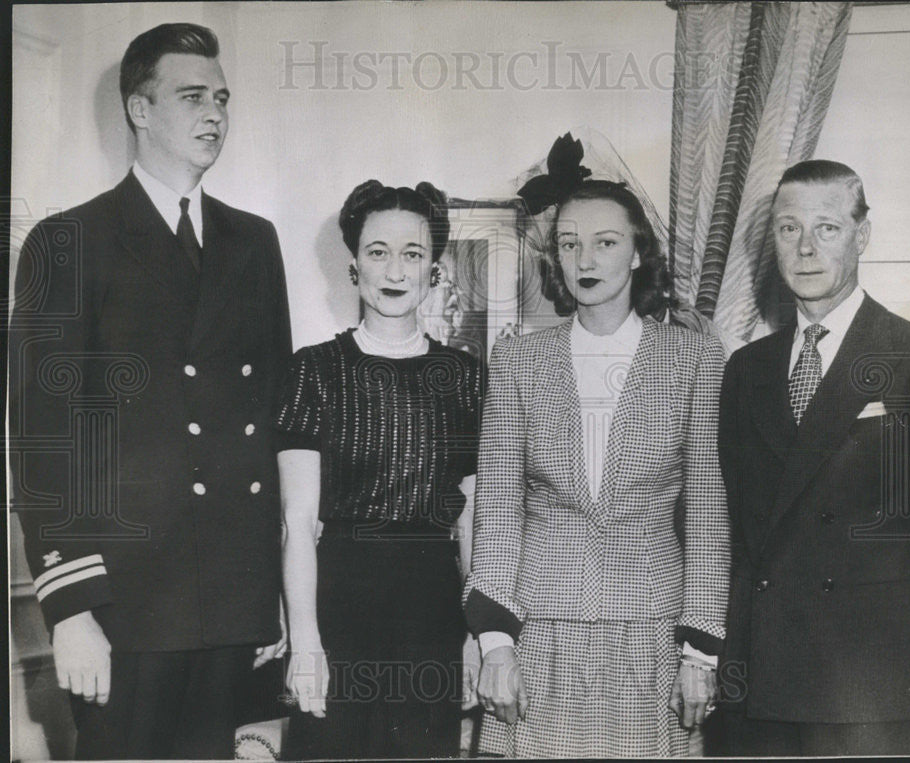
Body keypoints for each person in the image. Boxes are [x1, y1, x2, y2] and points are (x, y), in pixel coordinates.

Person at [9, 23, 291, 759]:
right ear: (139, 110)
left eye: (222, 98)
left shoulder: (253, 241)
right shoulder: (69, 241)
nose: (215, 115)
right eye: (192, 96)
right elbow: (46, 442)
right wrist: (71, 610)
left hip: (235, 602)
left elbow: (274, 416)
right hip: (124, 607)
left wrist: (275, 597)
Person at [717, 159, 910, 756]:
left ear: (862, 235)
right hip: (760, 682)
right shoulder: (747, 370)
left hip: (872, 682)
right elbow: (733, 527)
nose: (807, 248)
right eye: (789, 229)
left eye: (828, 228)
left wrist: (904, 636)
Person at [465, 149, 731, 757]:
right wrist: (496, 643)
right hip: (538, 629)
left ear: (638, 253)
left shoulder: (693, 358)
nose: (585, 260)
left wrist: (700, 648)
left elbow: (710, 517)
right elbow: (499, 510)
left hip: (652, 633)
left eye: (606, 243)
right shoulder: (518, 360)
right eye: (568, 244)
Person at [276, 180, 484, 759]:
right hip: (337, 603)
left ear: (434, 270)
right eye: (377, 252)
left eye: (413, 254)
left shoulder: (466, 377)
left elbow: (473, 526)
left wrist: (475, 636)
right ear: (353, 266)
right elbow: (297, 520)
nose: (395, 270)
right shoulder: (313, 371)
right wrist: (306, 643)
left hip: (433, 613)